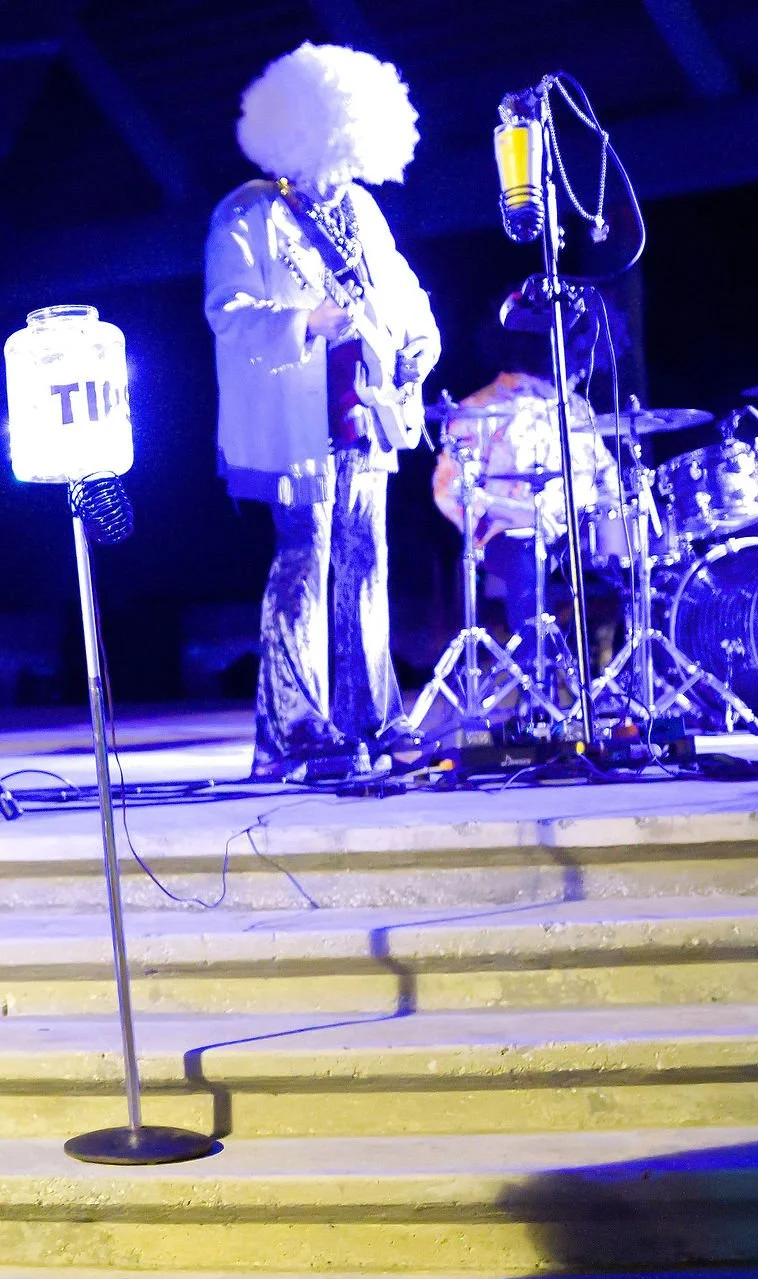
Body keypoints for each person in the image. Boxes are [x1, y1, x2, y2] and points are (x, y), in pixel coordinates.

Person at [205, 41, 442, 779]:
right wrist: (307, 322)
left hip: (367, 414)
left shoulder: (363, 211)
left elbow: (406, 298)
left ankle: (368, 717)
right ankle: (293, 729)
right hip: (296, 426)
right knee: (305, 564)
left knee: (366, 564)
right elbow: (228, 314)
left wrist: (418, 349)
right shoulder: (246, 214)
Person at [430, 321, 622, 675]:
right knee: (527, 552)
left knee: (635, 545)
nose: (579, 373)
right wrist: (522, 514)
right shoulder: (481, 409)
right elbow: (452, 490)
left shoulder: (576, 408)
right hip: (508, 537)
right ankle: (537, 678)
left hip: (578, 531)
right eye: (574, 364)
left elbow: (606, 472)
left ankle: (628, 669)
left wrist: (618, 508)